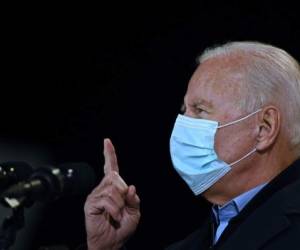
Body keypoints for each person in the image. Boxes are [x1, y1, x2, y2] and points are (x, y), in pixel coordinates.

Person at [83, 41, 300, 250]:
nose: (183, 125)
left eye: (200, 110)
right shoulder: (199, 239)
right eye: (184, 110)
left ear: (264, 128)